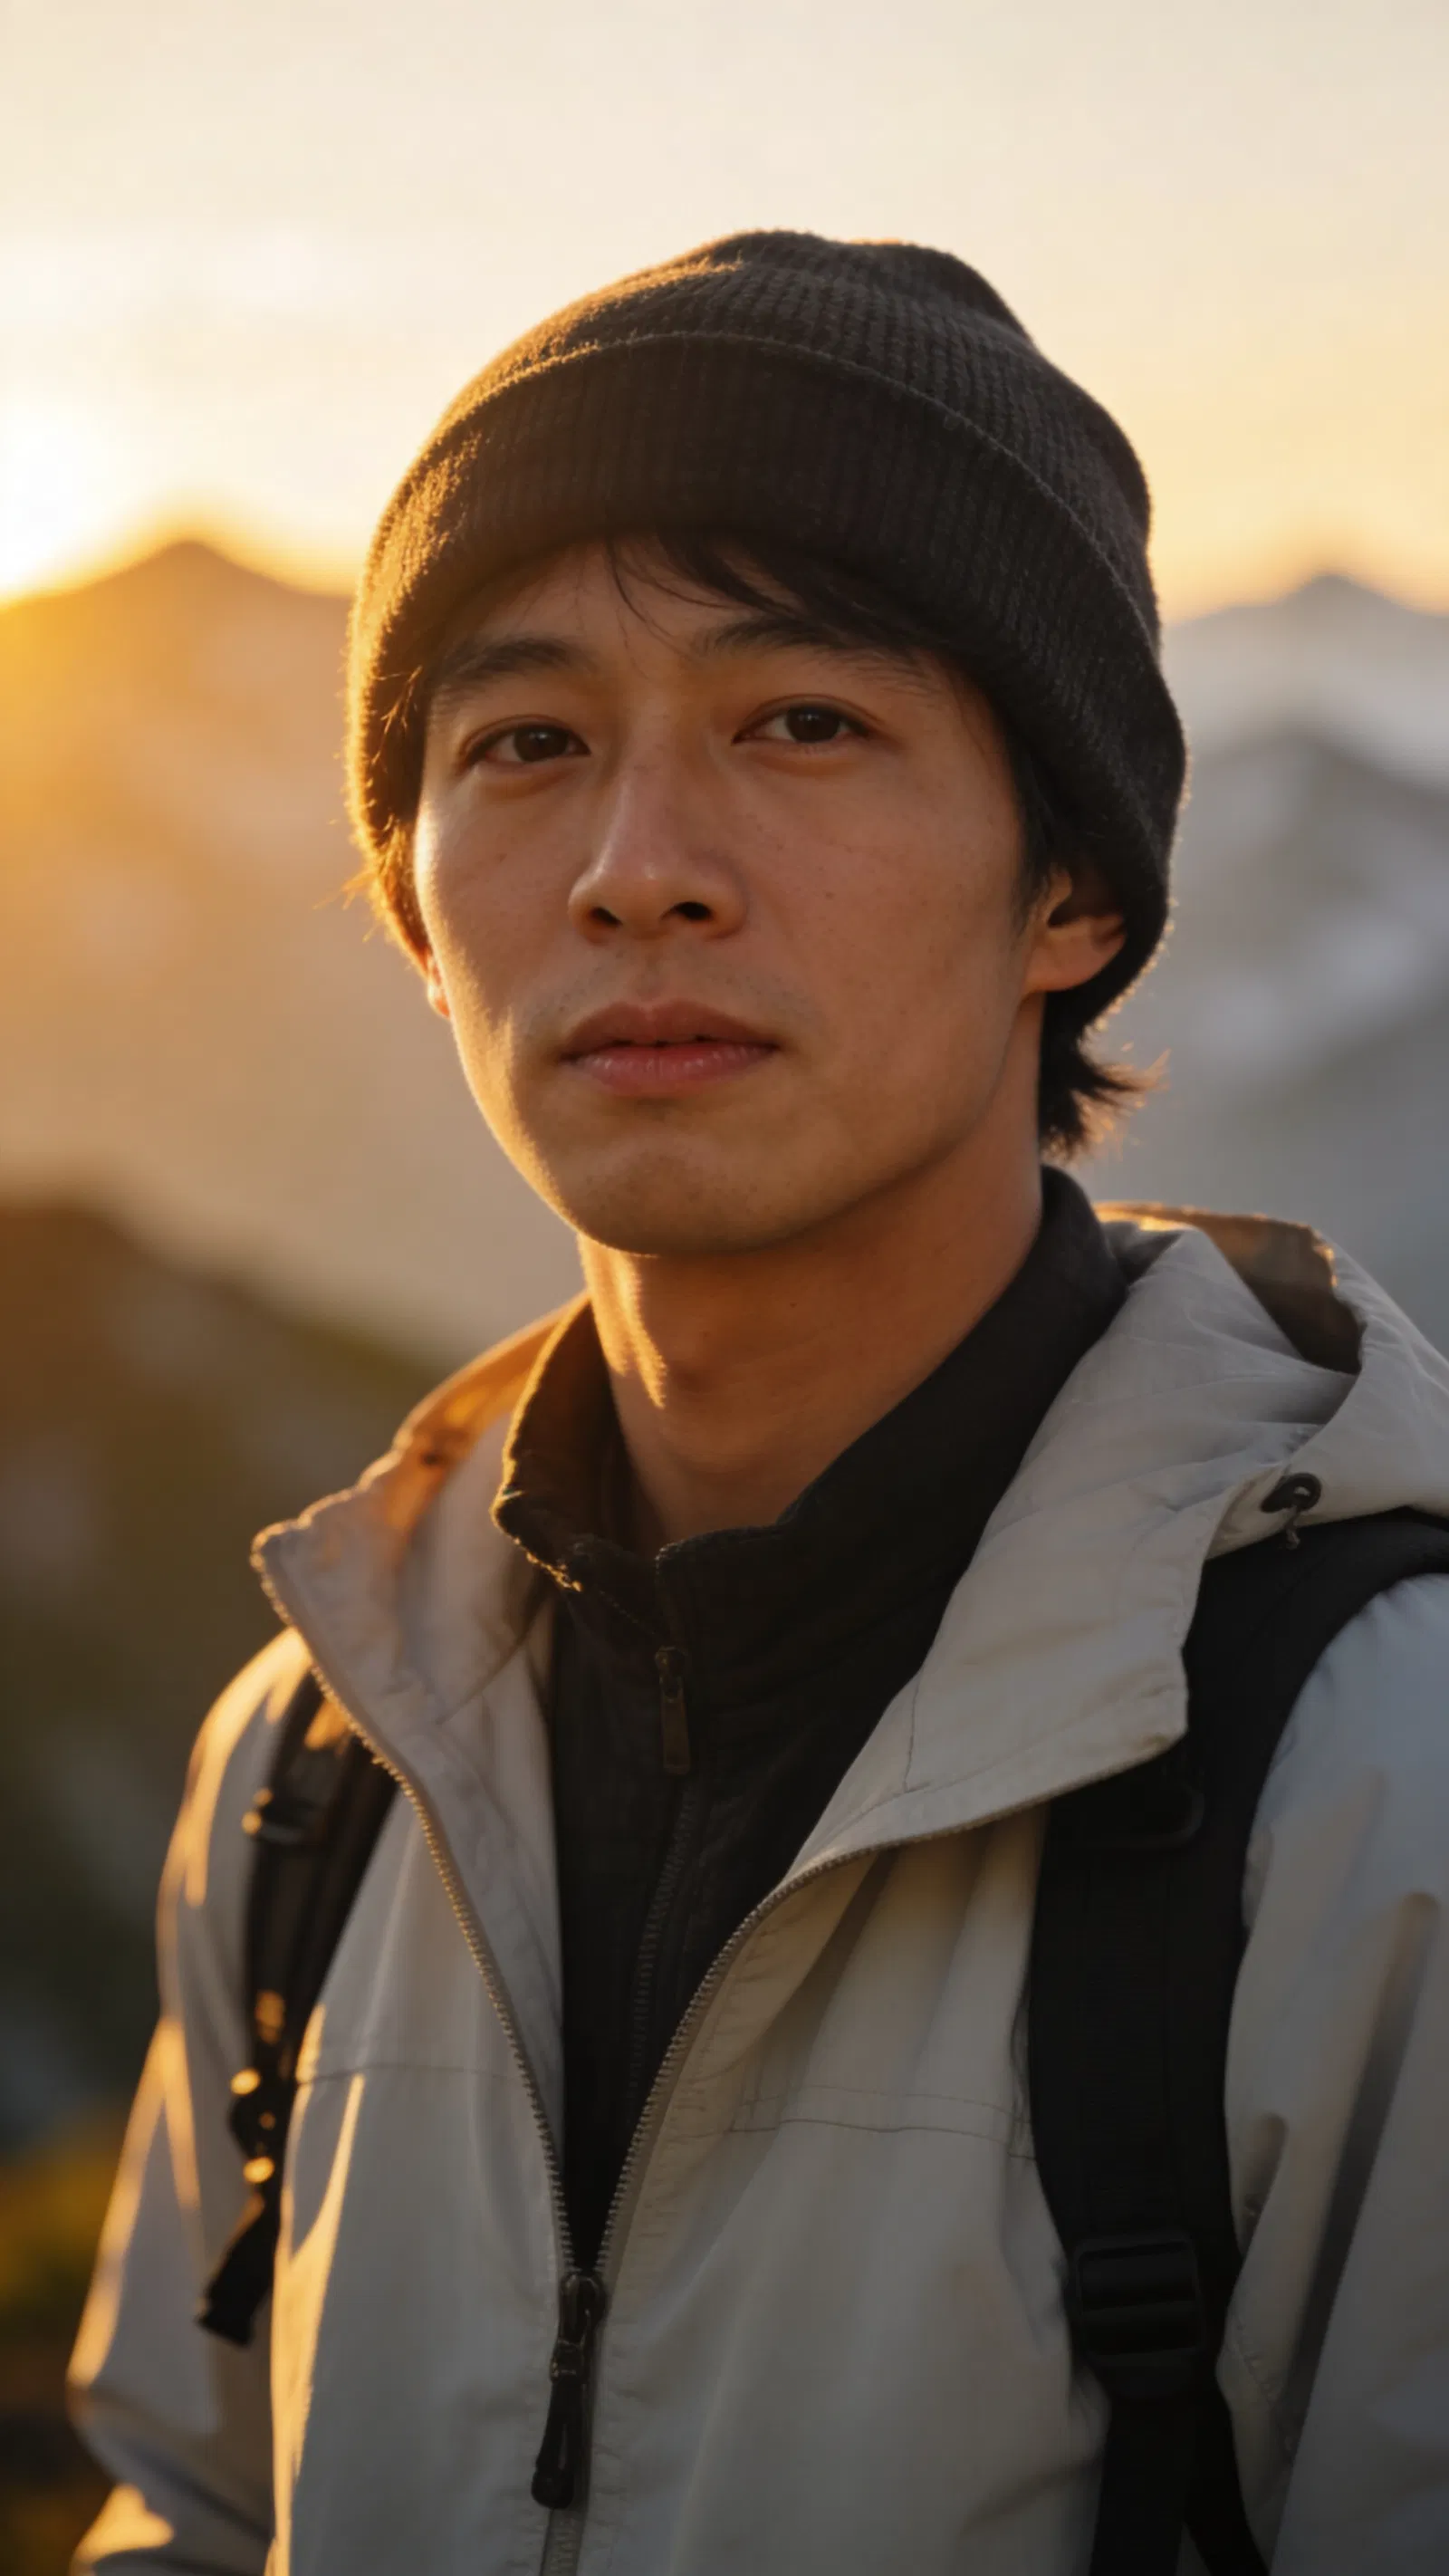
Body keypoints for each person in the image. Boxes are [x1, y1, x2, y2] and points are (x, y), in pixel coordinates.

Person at [70, 233, 1449, 2575]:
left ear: (1072, 895)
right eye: (521, 744)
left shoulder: (1370, 1783)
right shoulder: (318, 1762)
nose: (632, 872)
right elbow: (193, 2512)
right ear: (415, 899)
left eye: (801, 718)